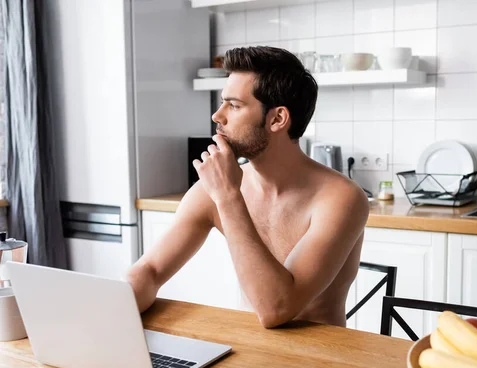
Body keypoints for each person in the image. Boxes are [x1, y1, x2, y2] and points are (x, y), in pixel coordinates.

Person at [127, 46, 369, 328]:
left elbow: (277, 309)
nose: (218, 116)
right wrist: (112, 304)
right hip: (247, 354)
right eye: (222, 103)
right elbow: (151, 270)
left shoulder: (341, 198)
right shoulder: (213, 189)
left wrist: (228, 197)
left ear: (277, 119)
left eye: (234, 105)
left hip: (322, 361)